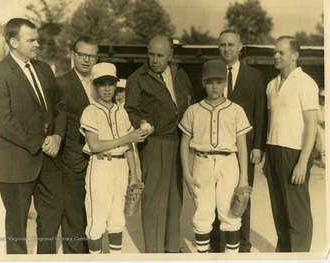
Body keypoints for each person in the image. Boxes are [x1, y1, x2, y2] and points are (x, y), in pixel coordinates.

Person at [0, 18, 67, 254]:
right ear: (13, 42)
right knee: (16, 225)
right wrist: (40, 143)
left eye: (37, 39)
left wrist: (57, 137)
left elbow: (60, 106)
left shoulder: (44, 69)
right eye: (31, 40)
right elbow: (3, 120)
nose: (37, 44)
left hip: (49, 161)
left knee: (53, 214)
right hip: (17, 162)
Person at [125, 35, 193, 253]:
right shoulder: (138, 78)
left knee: (175, 199)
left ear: (170, 55)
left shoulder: (180, 73)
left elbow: (189, 101)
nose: (154, 60)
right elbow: (130, 110)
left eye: (160, 55)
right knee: (154, 200)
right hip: (154, 144)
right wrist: (141, 122)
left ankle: (171, 249)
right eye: (151, 54)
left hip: (179, 143)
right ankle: (153, 252)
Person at [179, 60, 252, 253]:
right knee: (202, 212)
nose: (214, 86)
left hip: (228, 162)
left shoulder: (236, 110)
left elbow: (242, 145)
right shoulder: (193, 110)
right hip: (202, 162)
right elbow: (184, 143)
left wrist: (244, 176)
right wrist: (187, 173)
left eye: (219, 82)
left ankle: (231, 257)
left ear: (225, 83)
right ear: (203, 82)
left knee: (231, 213)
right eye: (210, 81)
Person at [79, 62, 150, 254]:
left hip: (120, 168)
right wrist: (128, 137)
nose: (108, 88)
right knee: (97, 220)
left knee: (117, 219)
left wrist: (134, 175)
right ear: (94, 86)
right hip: (100, 166)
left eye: (111, 83)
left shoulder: (121, 111)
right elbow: (94, 145)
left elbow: (129, 148)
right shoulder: (90, 111)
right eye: (102, 84)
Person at [210, 28, 267, 253]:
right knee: (216, 197)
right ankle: (217, 244)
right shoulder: (212, 73)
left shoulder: (254, 76)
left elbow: (260, 113)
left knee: (242, 196)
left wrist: (257, 146)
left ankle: (243, 245)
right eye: (223, 45)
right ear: (218, 47)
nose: (227, 49)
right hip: (218, 149)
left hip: (244, 149)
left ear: (240, 47)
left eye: (231, 45)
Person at [264, 36, 318, 252]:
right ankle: (284, 254)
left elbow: (311, 126)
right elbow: (271, 122)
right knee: (280, 211)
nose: (276, 56)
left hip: (294, 153)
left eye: (281, 53)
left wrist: (302, 162)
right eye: (274, 52)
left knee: (298, 214)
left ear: (295, 55)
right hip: (274, 150)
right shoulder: (271, 85)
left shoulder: (306, 84)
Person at [56, 36, 99, 253]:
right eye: (82, 54)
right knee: (74, 217)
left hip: (100, 162)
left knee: (95, 217)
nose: (86, 60)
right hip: (73, 162)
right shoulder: (61, 83)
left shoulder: (102, 83)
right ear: (72, 55)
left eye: (91, 56)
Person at [315, 87, 325, 167]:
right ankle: (323, 159)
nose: (323, 99)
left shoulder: (328, 106)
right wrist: (320, 122)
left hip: (326, 126)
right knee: (321, 139)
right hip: (318, 126)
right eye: (321, 97)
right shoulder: (316, 106)